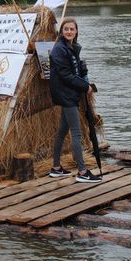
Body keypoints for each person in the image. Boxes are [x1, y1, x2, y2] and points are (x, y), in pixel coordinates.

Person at [49, 18, 101, 183]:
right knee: (76, 133)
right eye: (66, 29)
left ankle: (56, 168)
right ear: (61, 31)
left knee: (62, 131)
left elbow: (73, 70)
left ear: (76, 31)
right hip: (66, 95)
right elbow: (65, 75)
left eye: (72, 29)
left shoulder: (70, 48)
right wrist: (85, 86)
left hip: (69, 94)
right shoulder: (59, 49)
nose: (69, 31)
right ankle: (82, 172)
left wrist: (81, 68)